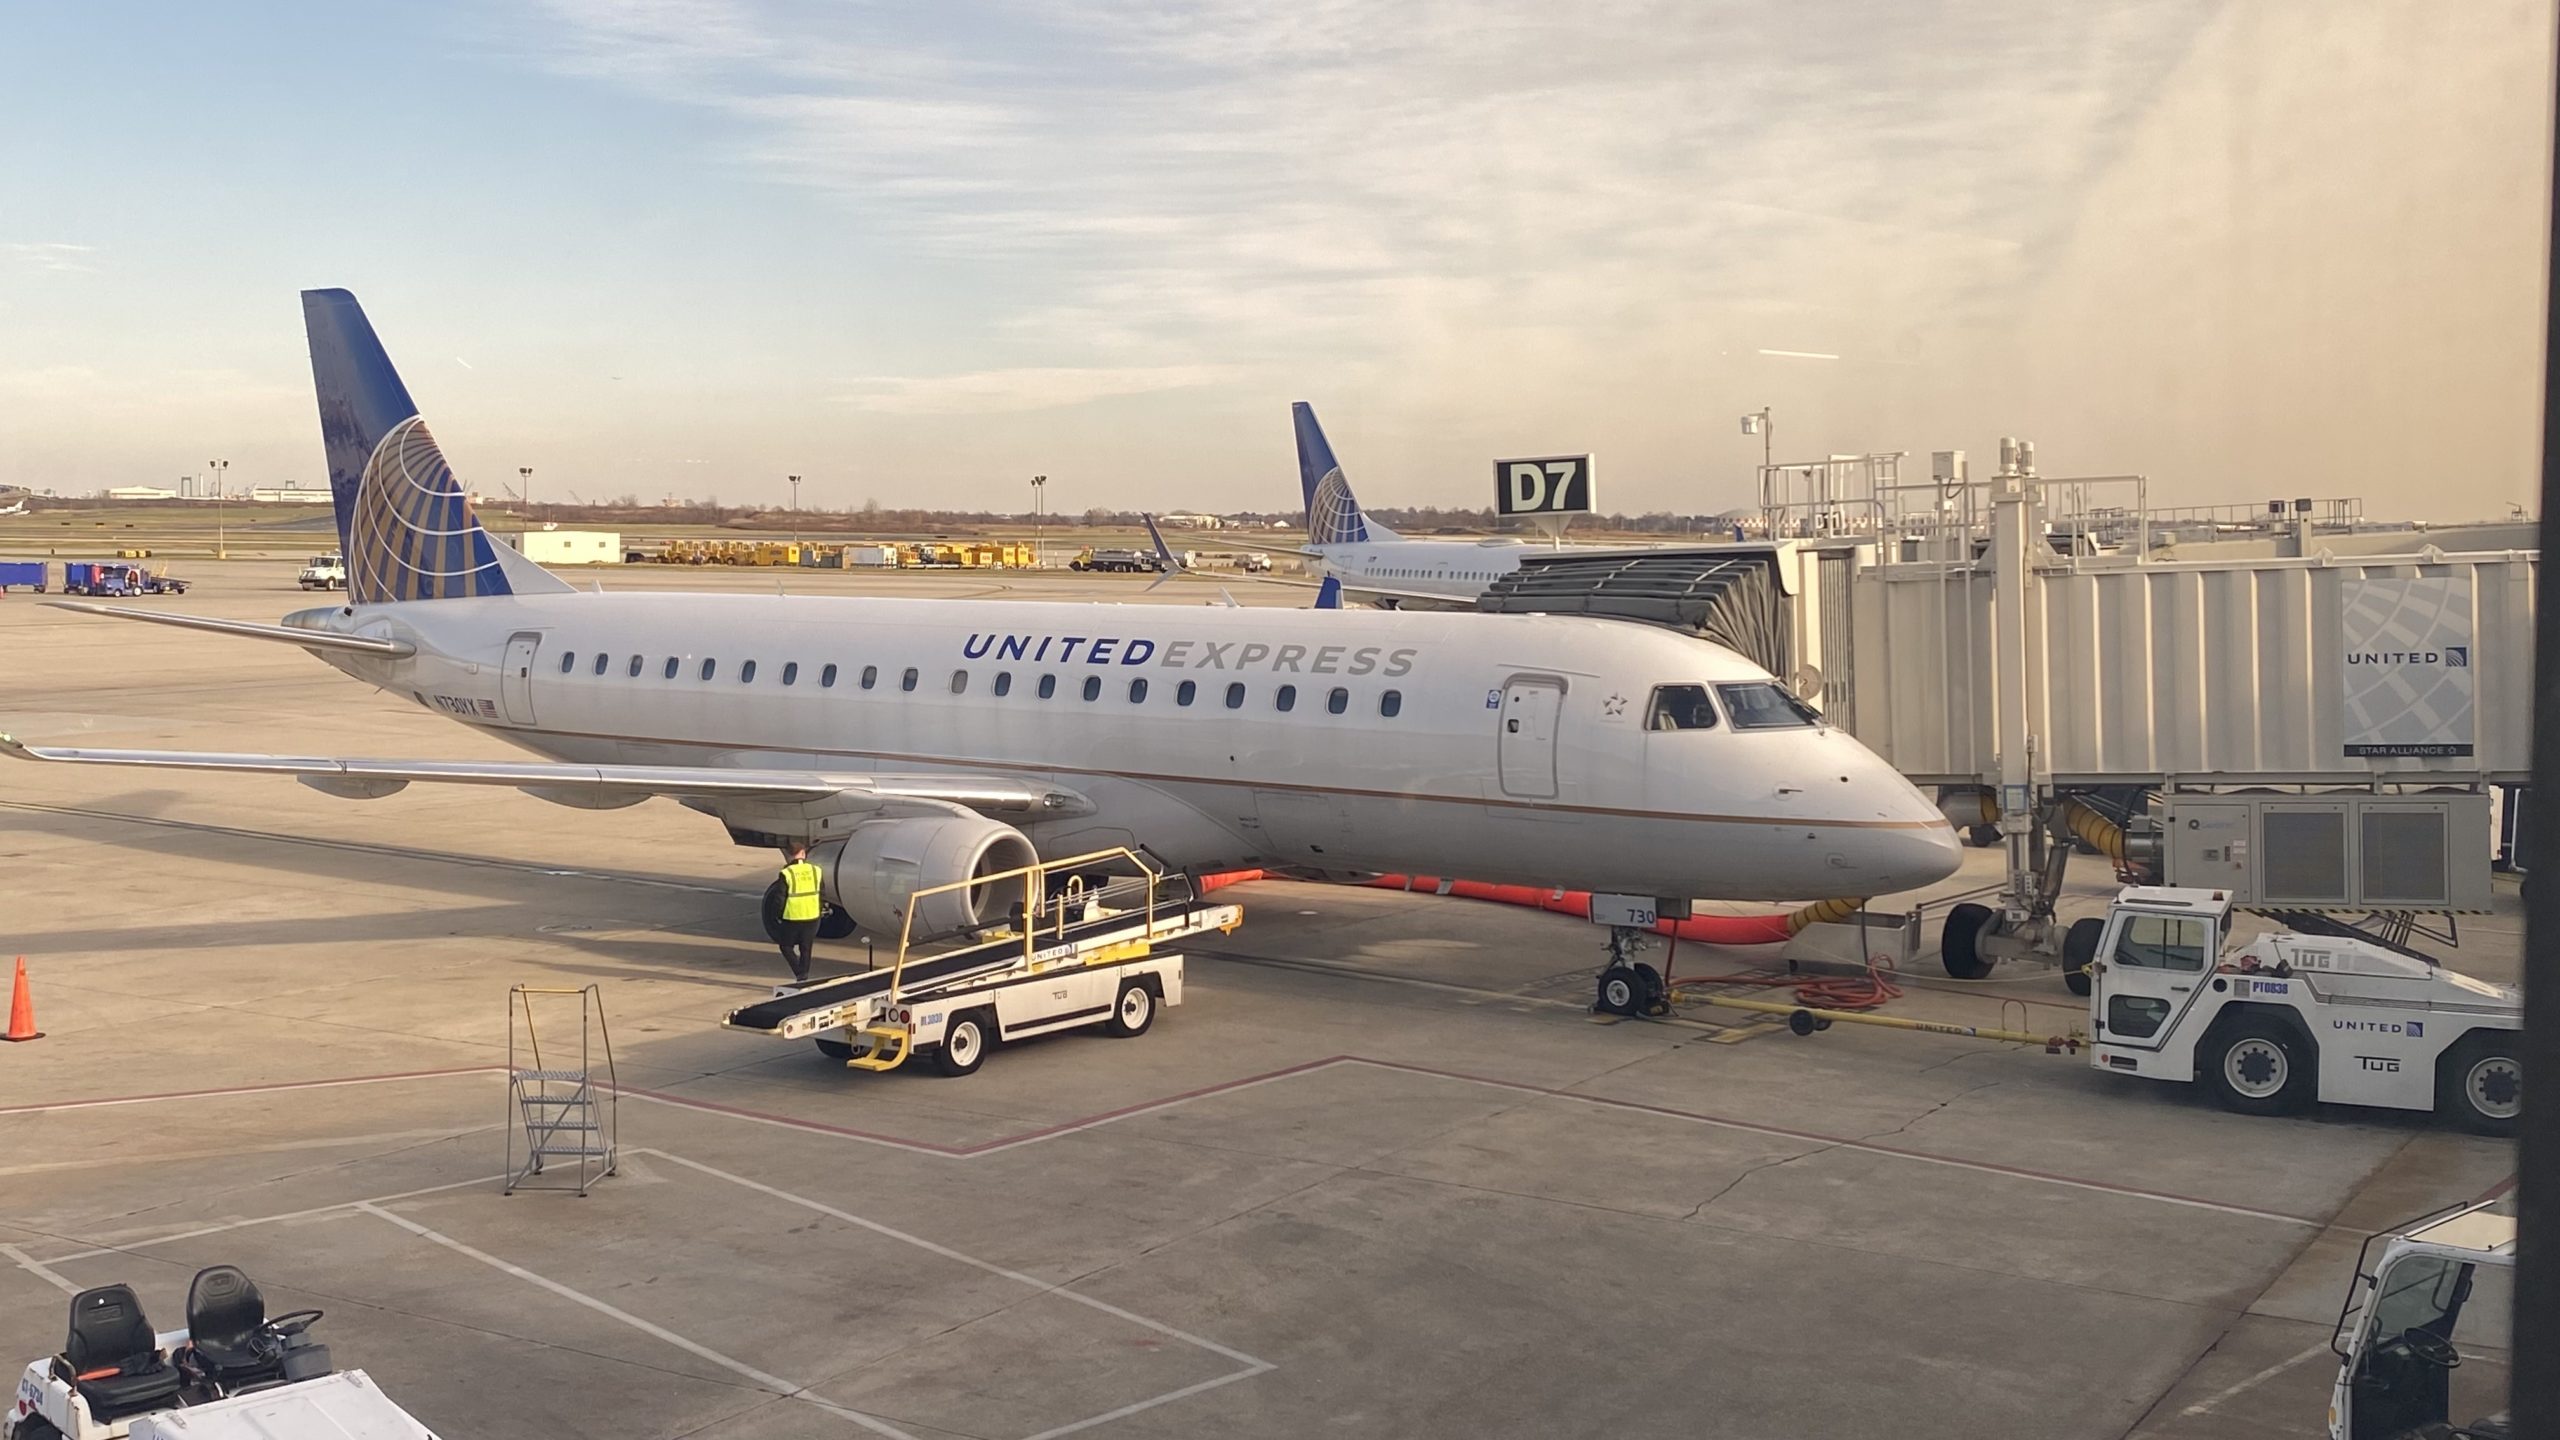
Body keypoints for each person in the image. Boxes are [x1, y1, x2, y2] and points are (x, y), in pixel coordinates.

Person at [775, 843, 823, 983]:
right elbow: (822, 892)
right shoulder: (816, 870)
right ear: (803, 853)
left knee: (786, 946)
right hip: (812, 915)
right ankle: (804, 975)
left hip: (792, 916)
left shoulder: (786, 873)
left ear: (790, 854)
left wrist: (778, 915)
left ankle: (799, 973)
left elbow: (779, 898)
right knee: (806, 947)